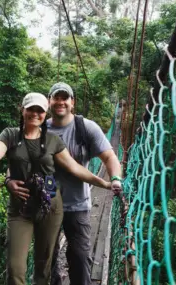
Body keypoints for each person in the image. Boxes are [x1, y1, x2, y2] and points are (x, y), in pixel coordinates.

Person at [0, 92, 112, 285]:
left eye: (40, 110)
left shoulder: (53, 140)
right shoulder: (10, 134)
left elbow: (74, 167)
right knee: (15, 268)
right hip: (20, 209)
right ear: (23, 110)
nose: (35, 114)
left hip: (51, 207)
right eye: (31, 109)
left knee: (43, 265)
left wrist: (104, 183)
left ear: (45, 113)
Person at [47, 82, 123, 285]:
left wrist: (115, 177)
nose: (60, 102)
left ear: (72, 102)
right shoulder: (40, 129)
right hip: (47, 205)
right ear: (49, 101)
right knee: (47, 260)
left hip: (78, 204)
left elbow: (109, 157)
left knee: (80, 258)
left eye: (65, 98)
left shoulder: (85, 127)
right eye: (56, 97)